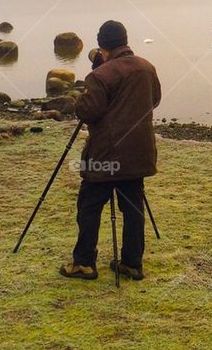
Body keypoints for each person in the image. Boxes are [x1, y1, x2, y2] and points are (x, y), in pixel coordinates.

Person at [59, 20, 161, 281]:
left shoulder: (100, 76)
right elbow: (155, 100)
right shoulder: (147, 68)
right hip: (139, 153)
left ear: (102, 46)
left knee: (89, 206)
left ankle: (83, 263)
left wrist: (87, 88)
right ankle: (132, 263)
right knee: (133, 207)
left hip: (105, 157)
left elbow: (87, 111)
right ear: (125, 41)